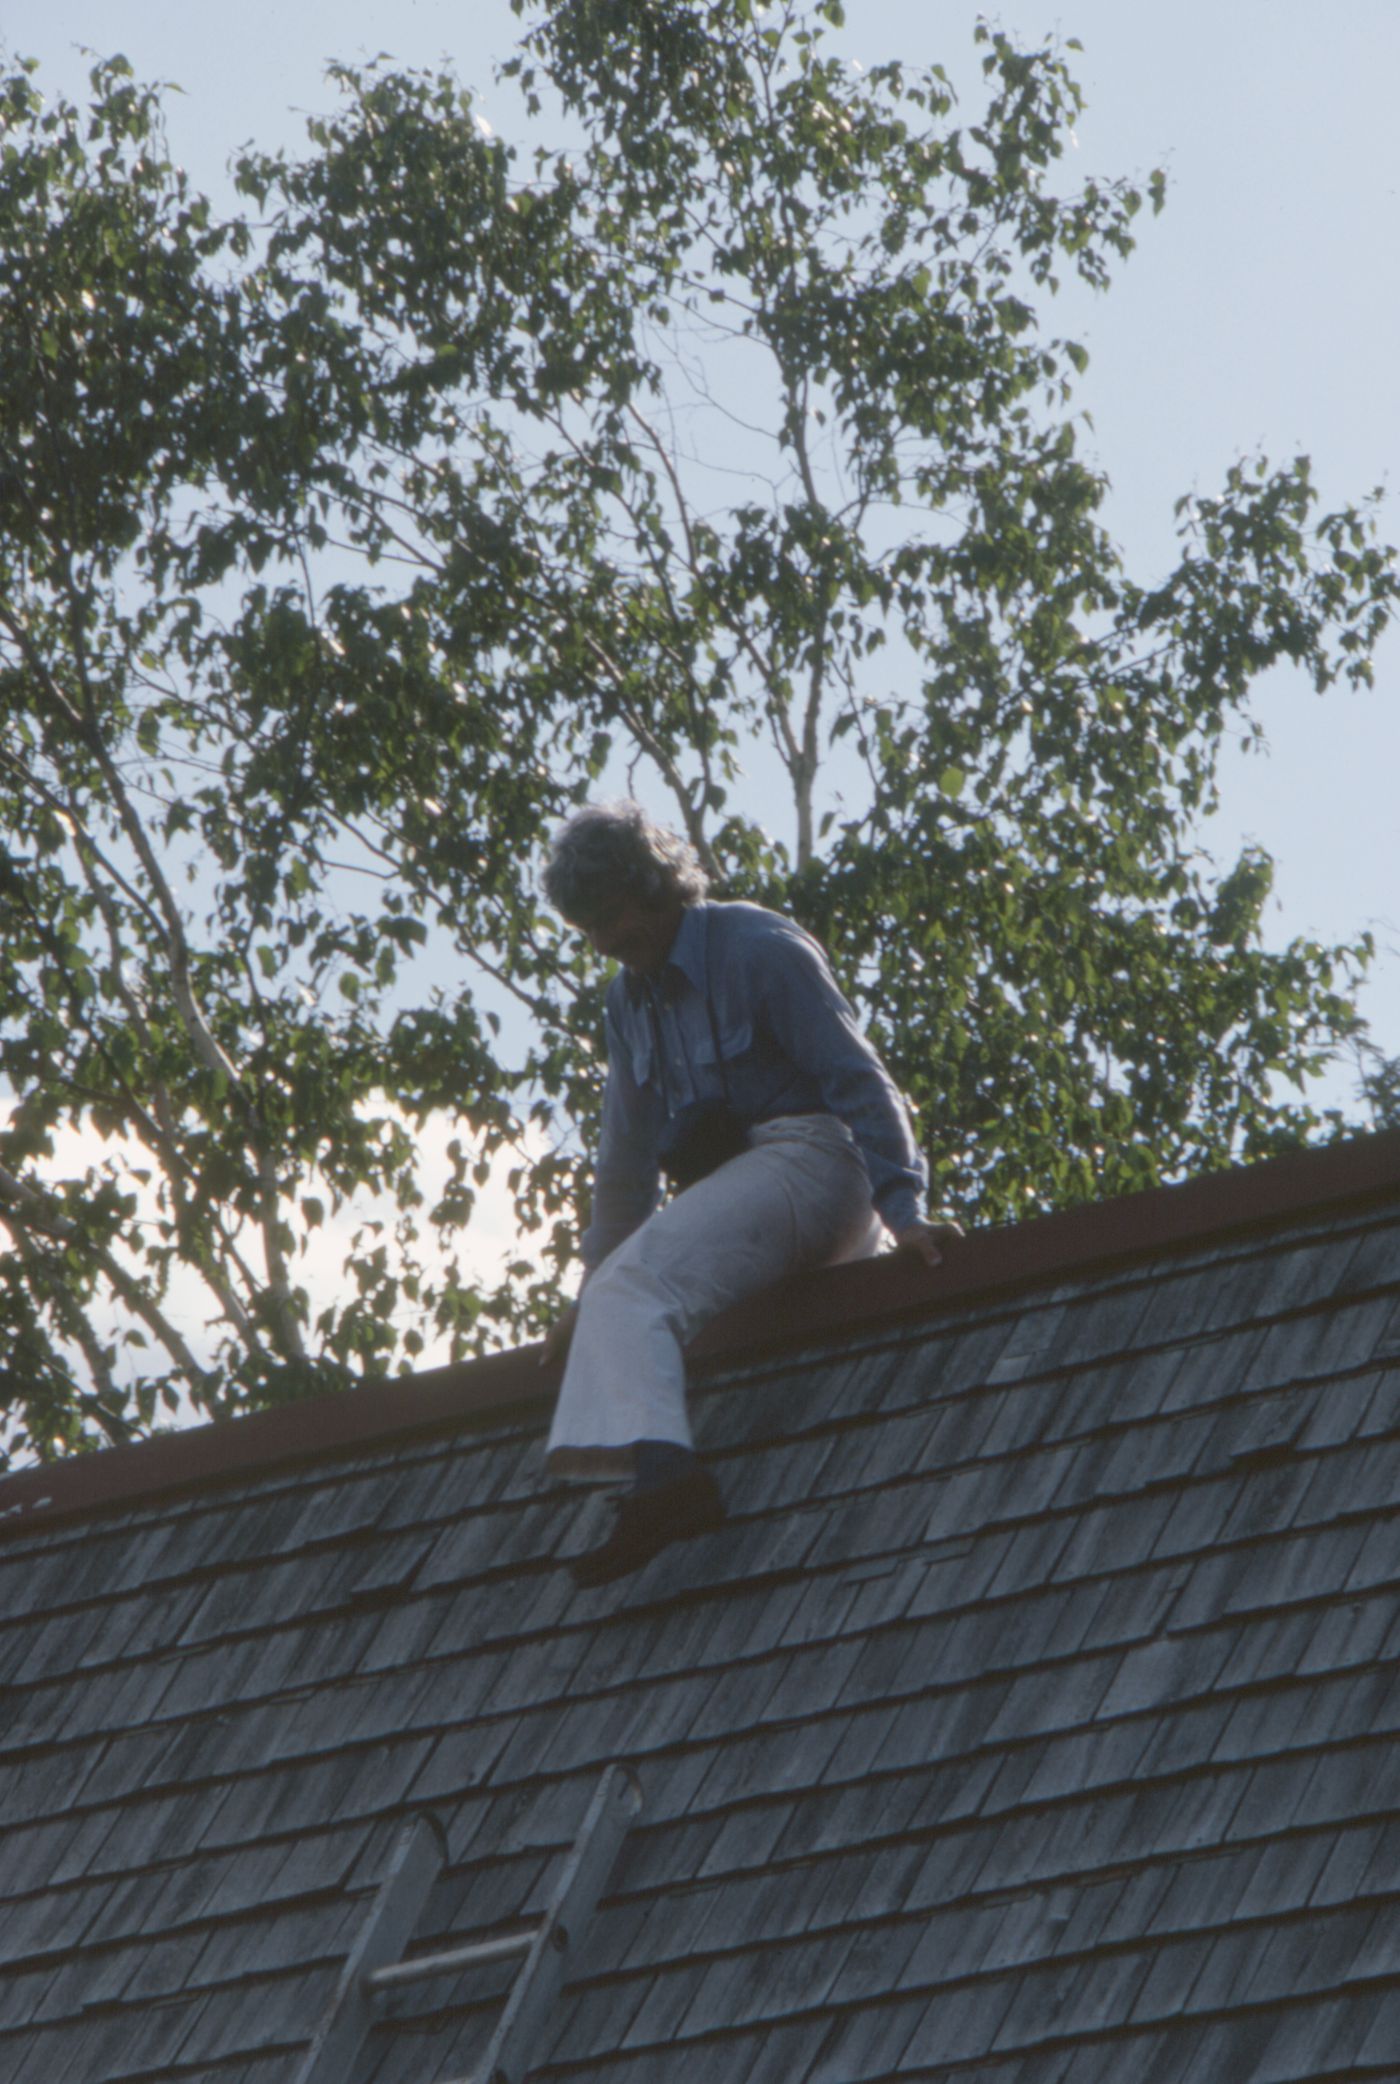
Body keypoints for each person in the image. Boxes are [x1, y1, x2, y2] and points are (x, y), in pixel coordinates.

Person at [539, 801, 960, 1588]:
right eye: (586, 927)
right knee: (621, 1296)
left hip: (819, 1162)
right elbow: (624, 1163)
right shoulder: (628, 1002)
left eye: (611, 915)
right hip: (759, 1187)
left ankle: (668, 1483)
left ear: (656, 885)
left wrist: (904, 1211)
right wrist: (588, 1285)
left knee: (638, 1288)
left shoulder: (757, 947)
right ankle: (657, 1471)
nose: (604, 940)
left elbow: (859, 1079)